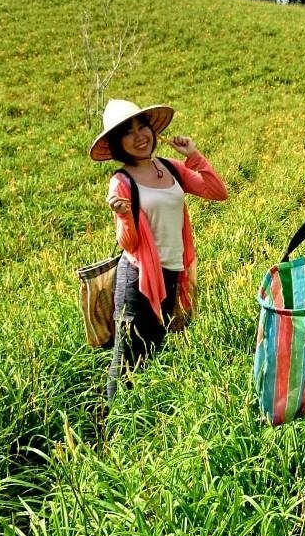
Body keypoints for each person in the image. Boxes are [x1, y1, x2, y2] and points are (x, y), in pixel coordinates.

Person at [89, 99, 228, 399]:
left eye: (143, 127)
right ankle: (114, 424)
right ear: (117, 142)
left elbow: (218, 192)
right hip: (138, 280)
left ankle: (143, 419)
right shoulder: (121, 181)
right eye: (129, 132)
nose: (140, 136)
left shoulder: (169, 168)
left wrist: (193, 155)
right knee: (127, 358)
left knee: (155, 349)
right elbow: (129, 244)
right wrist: (123, 216)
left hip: (172, 274)